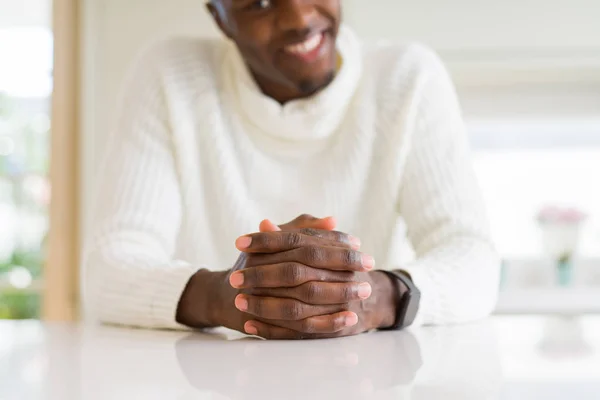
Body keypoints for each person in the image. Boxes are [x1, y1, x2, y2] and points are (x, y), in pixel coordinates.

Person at [85, 0, 500, 339]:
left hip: (367, 377)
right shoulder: (170, 74)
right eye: (261, 3)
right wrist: (232, 295)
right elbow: (108, 269)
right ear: (220, 17)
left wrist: (374, 296)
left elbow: (474, 260)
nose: (300, 18)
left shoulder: (408, 77)